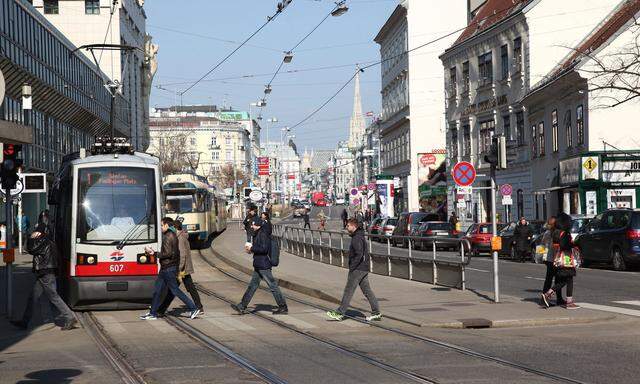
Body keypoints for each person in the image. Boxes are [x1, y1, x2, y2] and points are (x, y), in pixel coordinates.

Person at [11, 211, 77, 331]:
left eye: (36, 231)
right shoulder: (48, 241)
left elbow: (29, 248)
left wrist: (31, 237)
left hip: (45, 272)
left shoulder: (42, 241)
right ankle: (24, 322)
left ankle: (69, 317)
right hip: (43, 272)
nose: (34, 233)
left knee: (53, 296)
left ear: (39, 232)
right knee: (33, 297)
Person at [140, 218, 200, 320]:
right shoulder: (171, 235)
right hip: (166, 268)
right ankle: (152, 313)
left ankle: (193, 307)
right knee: (157, 290)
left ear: (167, 225)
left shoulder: (168, 236)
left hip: (168, 268)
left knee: (174, 290)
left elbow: (168, 253)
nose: (160, 227)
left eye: (162, 225)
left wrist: (153, 253)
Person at [327, 218, 381, 322]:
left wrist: (353, 267)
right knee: (367, 291)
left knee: (348, 291)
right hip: (363, 267)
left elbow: (359, 254)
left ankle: (340, 312)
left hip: (358, 268)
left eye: (348, 226)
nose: (347, 228)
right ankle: (376, 312)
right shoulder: (359, 236)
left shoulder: (356, 238)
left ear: (354, 226)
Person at [231, 217, 288, 315]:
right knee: (253, 285)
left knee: (272, 285)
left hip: (263, 264)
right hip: (259, 263)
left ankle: (283, 306)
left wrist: (252, 248)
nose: (252, 226)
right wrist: (251, 250)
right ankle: (242, 305)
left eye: (253, 224)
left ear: (257, 225)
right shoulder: (258, 233)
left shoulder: (263, 234)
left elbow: (264, 249)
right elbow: (260, 248)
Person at [156, 219, 203, 316]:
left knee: (173, 289)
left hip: (181, 269)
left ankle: (161, 310)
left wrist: (178, 270)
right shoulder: (178, 236)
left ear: (175, 228)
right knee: (185, 288)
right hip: (182, 268)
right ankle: (198, 307)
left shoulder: (180, 238)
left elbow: (182, 256)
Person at [541, 213, 579, 309]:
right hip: (561, 259)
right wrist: (573, 245)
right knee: (563, 279)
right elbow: (564, 245)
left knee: (560, 279)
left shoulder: (554, 232)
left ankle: (554, 296)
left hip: (555, 258)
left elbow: (543, 244)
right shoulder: (561, 233)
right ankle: (548, 294)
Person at [539, 216, 564, 305]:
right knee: (557, 278)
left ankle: (547, 297)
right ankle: (554, 298)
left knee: (549, 278)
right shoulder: (554, 233)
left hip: (548, 258)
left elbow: (542, 244)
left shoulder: (547, 233)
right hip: (554, 258)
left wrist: (542, 257)